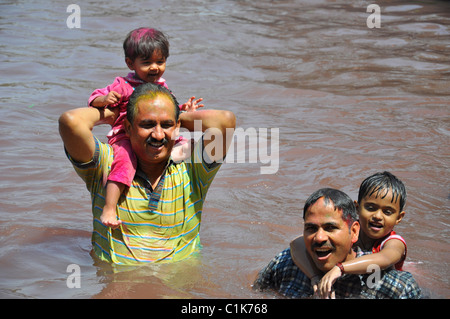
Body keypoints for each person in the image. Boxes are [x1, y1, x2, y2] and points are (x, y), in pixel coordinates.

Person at [59, 83, 235, 265]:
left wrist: (177, 116)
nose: (158, 135)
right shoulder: (106, 166)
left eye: (167, 125)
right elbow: (71, 122)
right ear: (128, 128)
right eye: (147, 124)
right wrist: (114, 116)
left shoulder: (193, 172)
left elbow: (224, 121)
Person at [89, 27, 204, 229]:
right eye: (147, 63)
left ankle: (173, 159)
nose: (154, 68)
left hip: (152, 135)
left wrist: (183, 110)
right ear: (130, 63)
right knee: (124, 162)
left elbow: (163, 112)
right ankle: (109, 207)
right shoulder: (123, 85)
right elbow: (93, 98)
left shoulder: (161, 86)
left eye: (160, 62)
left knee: (188, 144)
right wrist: (104, 100)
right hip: (126, 135)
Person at [253, 188, 422, 299]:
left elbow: (386, 258)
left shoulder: (394, 288)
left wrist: (339, 268)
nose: (319, 238)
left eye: (330, 228)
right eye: (311, 228)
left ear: (354, 232)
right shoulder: (285, 264)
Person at [291, 172, 412, 298]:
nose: (377, 216)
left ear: (399, 217)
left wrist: (340, 268)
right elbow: (296, 243)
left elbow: (384, 258)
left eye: (387, 212)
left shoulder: (394, 242)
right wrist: (314, 276)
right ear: (357, 208)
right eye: (370, 208)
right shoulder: (349, 229)